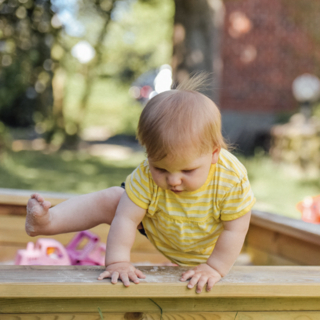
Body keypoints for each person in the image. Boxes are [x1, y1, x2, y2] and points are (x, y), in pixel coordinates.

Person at [26, 75, 255, 293]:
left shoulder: (230, 179)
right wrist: (117, 262)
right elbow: (126, 219)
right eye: (161, 169)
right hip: (162, 224)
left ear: (214, 154)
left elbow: (236, 228)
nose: (173, 180)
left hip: (208, 244)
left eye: (188, 170)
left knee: (227, 235)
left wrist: (214, 267)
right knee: (113, 199)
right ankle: (47, 222)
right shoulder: (145, 174)